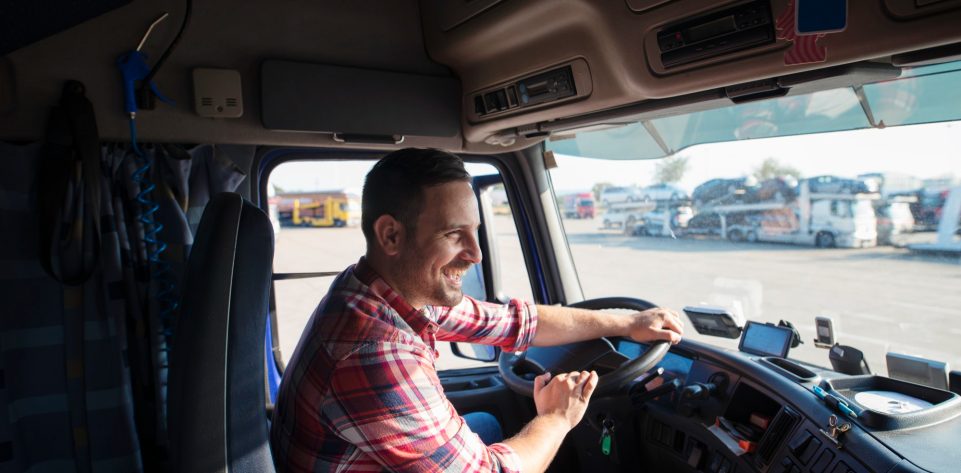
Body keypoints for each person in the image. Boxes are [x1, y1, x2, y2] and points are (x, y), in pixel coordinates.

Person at [270, 148, 685, 473]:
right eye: (454, 234)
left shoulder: (381, 290)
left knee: (487, 421)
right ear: (391, 235)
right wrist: (557, 418)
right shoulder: (374, 352)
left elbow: (514, 322)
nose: (475, 254)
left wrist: (630, 322)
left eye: (476, 232)